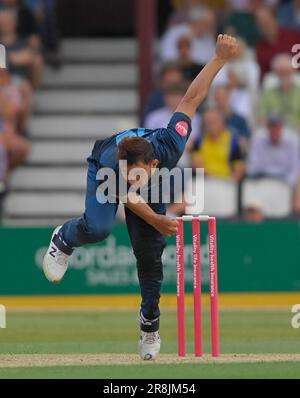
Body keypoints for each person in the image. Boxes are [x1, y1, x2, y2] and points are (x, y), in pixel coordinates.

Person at [43, 34, 239, 361]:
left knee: (149, 259)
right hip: (103, 169)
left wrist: (219, 59)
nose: (134, 179)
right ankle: (64, 239)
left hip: (154, 183)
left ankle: (149, 326)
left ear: (153, 164)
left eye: (138, 174)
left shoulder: (169, 146)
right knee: (99, 228)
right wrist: (157, 218)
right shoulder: (113, 166)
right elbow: (127, 195)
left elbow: (191, 99)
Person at [192, 108, 244, 181]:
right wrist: (212, 177)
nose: (210, 125)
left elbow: (239, 167)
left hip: (227, 183)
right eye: (207, 122)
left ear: (222, 122)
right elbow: (196, 165)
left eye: (213, 122)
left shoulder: (233, 142)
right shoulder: (199, 141)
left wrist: (231, 180)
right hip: (205, 181)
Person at [259, 54, 300, 131]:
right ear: (276, 73)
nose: (284, 75)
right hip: (275, 134)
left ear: (292, 71)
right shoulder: (268, 94)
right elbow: (262, 118)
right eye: (281, 72)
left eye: (287, 71)